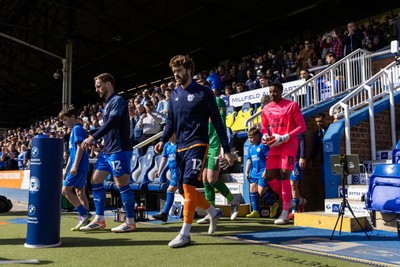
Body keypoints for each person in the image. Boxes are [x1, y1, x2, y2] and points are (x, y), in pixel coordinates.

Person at [155, 55, 235, 248]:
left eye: (179, 71)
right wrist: (162, 140)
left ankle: (185, 233)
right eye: (174, 72)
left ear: (189, 70)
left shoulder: (204, 93)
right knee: (184, 191)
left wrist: (227, 149)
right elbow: (171, 123)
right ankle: (213, 212)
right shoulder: (173, 95)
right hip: (180, 146)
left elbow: (217, 121)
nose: (176, 75)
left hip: (199, 144)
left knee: (189, 187)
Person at [80, 73, 136, 233]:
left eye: (99, 85)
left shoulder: (118, 100)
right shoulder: (108, 103)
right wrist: (91, 132)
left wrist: (93, 137)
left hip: (120, 150)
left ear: (109, 84)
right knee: (95, 180)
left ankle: (130, 222)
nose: (97, 89)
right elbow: (107, 126)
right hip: (107, 150)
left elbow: (112, 123)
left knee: (122, 184)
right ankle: (99, 219)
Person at [261, 81, 306, 225]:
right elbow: (263, 127)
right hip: (274, 145)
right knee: (268, 176)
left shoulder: (291, 105)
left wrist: (287, 136)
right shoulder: (266, 108)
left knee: (284, 174)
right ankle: (290, 201)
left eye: (275, 91)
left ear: (281, 91)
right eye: (270, 91)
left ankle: (285, 212)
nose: (272, 94)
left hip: (289, 144)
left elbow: (302, 127)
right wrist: (264, 136)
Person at [196, 80, 240, 224]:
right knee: (204, 180)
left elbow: (220, 123)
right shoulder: (199, 104)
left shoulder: (217, 101)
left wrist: (223, 147)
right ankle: (211, 213)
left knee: (212, 179)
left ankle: (233, 202)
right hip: (205, 146)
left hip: (216, 145)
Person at [58, 105, 92, 231]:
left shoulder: (77, 129)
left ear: (72, 117)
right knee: (80, 192)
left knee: (65, 190)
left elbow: (80, 148)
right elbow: (71, 155)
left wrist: (75, 166)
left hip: (80, 166)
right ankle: (85, 221)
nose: (64, 123)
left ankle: (84, 214)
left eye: (65, 119)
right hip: (79, 165)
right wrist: (66, 171)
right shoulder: (74, 131)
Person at [245, 127, 279, 219]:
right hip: (254, 172)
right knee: (252, 189)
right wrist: (247, 171)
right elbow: (249, 160)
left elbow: (269, 159)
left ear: (257, 136)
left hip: (262, 172)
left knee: (261, 191)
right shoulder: (251, 147)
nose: (250, 140)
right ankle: (255, 211)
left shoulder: (263, 145)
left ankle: (274, 204)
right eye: (249, 137)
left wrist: (266, 170)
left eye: (251, 137)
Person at [152, 134, 177, 222]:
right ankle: (208, 209)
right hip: (173, 172)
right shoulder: (167, 145)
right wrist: (159, 171)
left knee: (170, 190)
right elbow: (164, 158)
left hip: (179, 172)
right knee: (184, 193)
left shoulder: (180, 144)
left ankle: (164, 214)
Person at [288, 133, 307, 220]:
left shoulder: (297, 129)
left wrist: (302, 157)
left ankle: (294, 210)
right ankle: (300, 201)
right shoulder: (284, 128)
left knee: (293, 185)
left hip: (295, 160)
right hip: (286, 160)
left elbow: (302, 142)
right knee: (289, 186)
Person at [308, 112, 330, 183]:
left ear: (325, 119)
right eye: (317, 122)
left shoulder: (332, 128)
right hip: (323, 161)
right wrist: (311, 159)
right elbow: (315, 147)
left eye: (320, 121)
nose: (318, 123)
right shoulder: (317, 133)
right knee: (325, 182)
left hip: (333, 160)